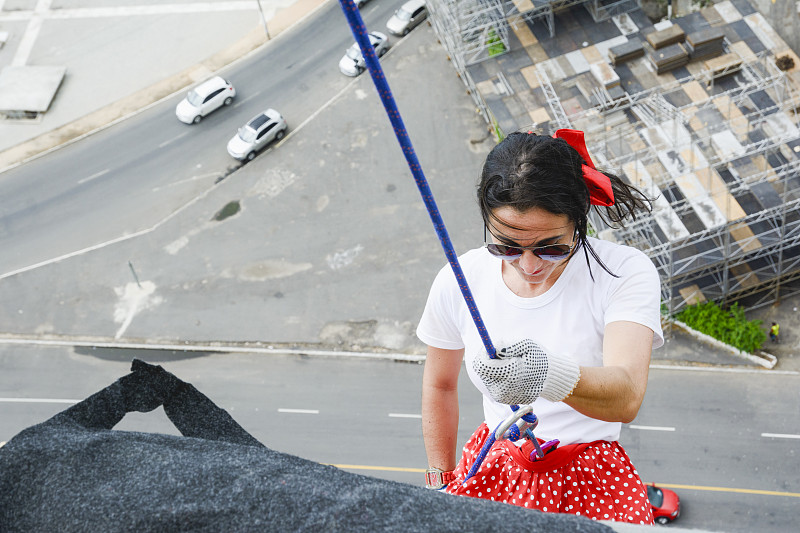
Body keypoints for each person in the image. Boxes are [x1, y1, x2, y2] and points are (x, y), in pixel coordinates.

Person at [416, 129, 664, 525]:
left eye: (551, 247)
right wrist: (440, 480)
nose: (529, 265)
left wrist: (545, 373)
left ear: (578, 221)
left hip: (590, 478)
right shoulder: (460, 279)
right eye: (506, 246)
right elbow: (439, 385)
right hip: (495, 464)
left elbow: (627, 395)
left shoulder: (624, 273)